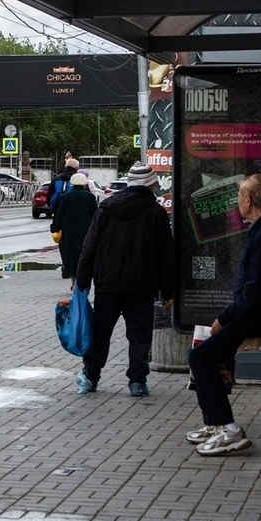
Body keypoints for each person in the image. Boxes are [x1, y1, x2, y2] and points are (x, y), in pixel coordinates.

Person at [186, 173, 261, 456]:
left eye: (239, 199)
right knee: (205, 349)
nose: (237, 204)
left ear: (248, 201)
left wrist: (226, 317)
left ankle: (228, 430)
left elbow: (257, 291)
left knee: (200, 357)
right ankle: (215, 424)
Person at [74, 162, 175, 398]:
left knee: (101, 332)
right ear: (150, 185)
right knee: (139, 334)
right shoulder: (156, 212)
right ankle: (137, 381)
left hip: (108, 283)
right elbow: (165, 254)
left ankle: (90, 376)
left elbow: (89, 247)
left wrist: (82, 282)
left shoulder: (106, 209)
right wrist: (168, 290)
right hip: (142, 285)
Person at [50, 172, 98, 284]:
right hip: (86, 231)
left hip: (69, 231)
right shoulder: (89, 197)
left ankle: (73, 282)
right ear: (85, 184)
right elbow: (95, 214)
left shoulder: (66, 197)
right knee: (85, 255)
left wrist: (55, 229)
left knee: (71, 256)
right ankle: (84, 282)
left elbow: (59, 214)